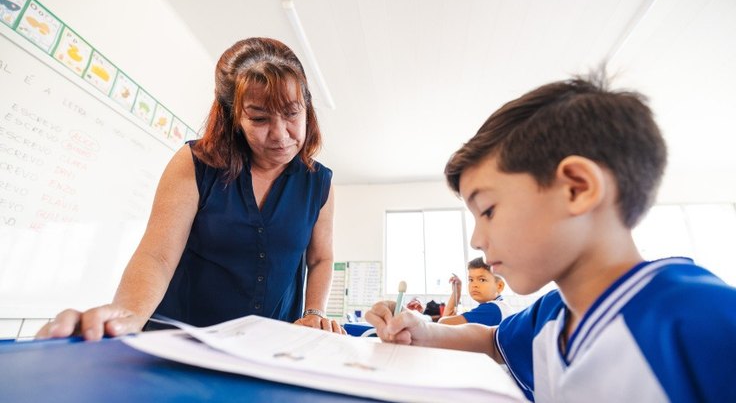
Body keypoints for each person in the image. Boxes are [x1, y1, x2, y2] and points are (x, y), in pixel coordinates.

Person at [366, 71, 736, 402]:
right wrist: (423, 330)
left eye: (489, 210)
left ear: (576, 189)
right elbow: (491, 340)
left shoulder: (706, 319)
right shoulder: (554, 313)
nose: (476, 239)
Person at [37, 37, 344, 340]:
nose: (280, 134)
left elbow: (320, 259)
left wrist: (314, 313)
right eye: (260, 118)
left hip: (268, 348)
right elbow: (157, 256)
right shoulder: (196, 163)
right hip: (180, 342)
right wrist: (126, 319)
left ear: (307, 108)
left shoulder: (319, 183)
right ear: (234, 117)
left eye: (292, 113)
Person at [437, 257, 513, 326]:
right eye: (471, 280)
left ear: (499, 286)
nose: (474, 285)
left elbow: (442, 325)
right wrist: (456, 292)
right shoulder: (501, 307)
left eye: (482, 280)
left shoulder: (491, 310)